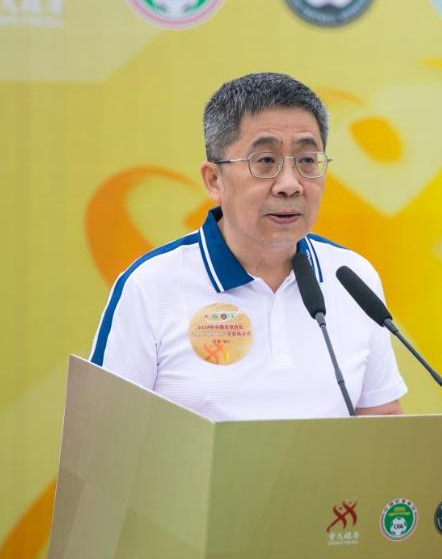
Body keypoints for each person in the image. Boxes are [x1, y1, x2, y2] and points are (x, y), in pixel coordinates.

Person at [89, 72, 406, 421]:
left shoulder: (351, 276)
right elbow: (103, 435)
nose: (290, 185)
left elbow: (381, 416)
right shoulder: (151, 285)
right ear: (214, 180)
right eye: (265, 161)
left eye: (307, 161)